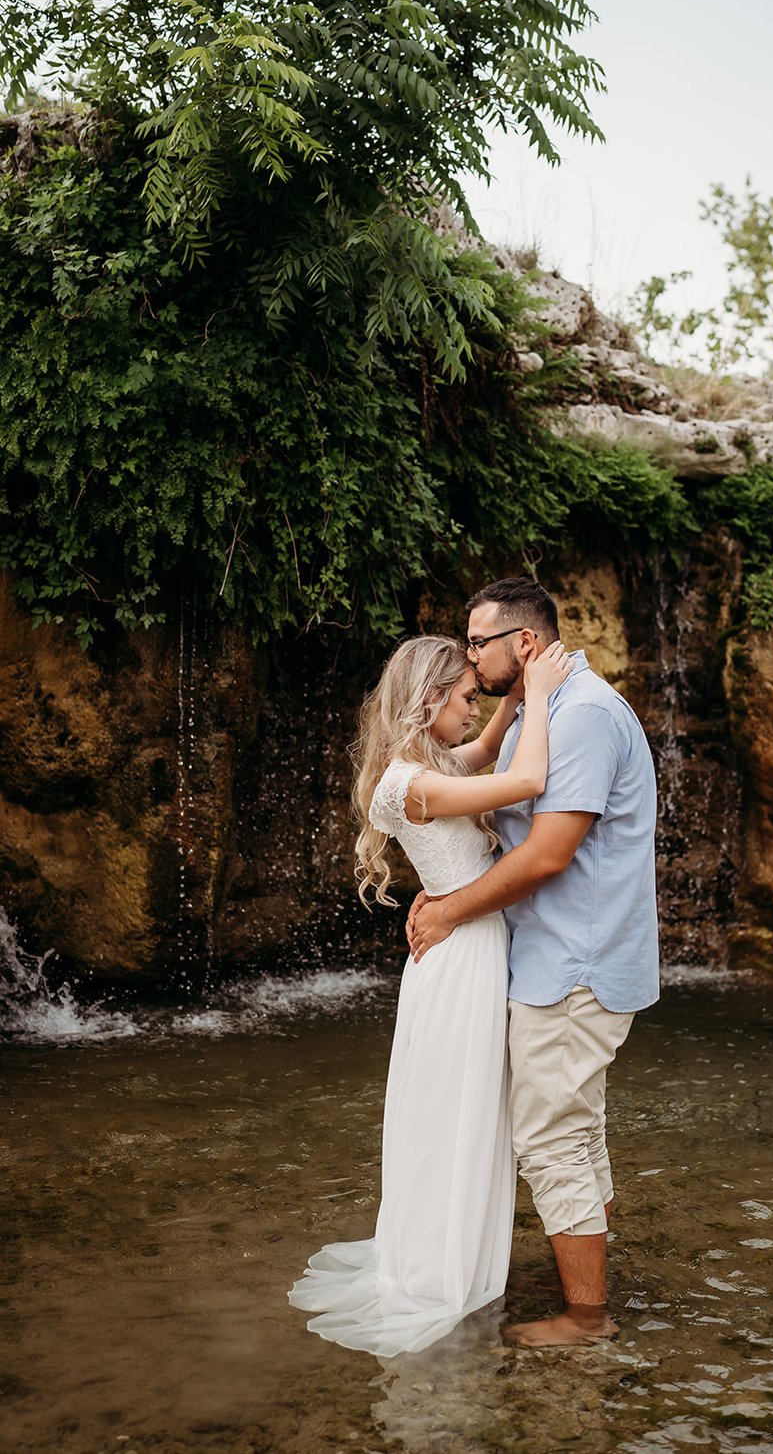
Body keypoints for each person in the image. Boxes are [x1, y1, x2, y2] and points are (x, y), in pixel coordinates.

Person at [287, 632, 572, 1356]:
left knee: (460, 1107)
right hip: (462, 958)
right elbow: (528, 780)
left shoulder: (420, 767)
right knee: (460, 1109)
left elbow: (477, 757)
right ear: (428, 699)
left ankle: (450, 1249)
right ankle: (441, 1269)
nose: (474, 712)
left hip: (459, 948)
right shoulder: (415, 784)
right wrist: (537, 698)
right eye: (466, 698)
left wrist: (508, 706)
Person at [408, 577, 659, 1349]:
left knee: (550, 1137)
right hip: (563, 958)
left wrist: (450, 910)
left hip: (572, 963)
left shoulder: (580, 715)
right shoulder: (547, 707)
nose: (469, 657)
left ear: (523, 642)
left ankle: (586, 1319)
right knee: (576, 1132)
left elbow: (549, 853)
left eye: (478, 641)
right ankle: (585, 1281)